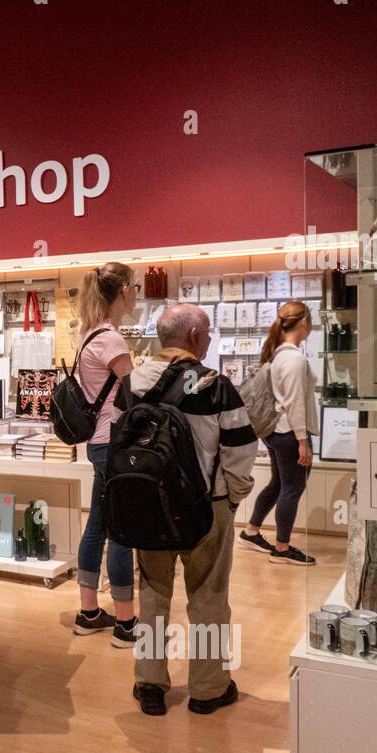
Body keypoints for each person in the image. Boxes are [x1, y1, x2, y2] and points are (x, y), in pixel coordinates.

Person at [118, 304, 257, 716]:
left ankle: (150, 684)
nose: (210, 337)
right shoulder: (215, 385)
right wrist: (231, 498)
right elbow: (240, 450)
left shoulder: (132, 383)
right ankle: (208, 688)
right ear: (195, 334)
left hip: (149, 508)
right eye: (208, 330)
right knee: (210, 598)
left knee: (152, 596)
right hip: (206, 509)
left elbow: (120, 444)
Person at [73, 262, 138, 645]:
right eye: (136, 287)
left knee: (97, 526)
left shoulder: (89, 334)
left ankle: (88, 612)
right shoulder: (111, 339)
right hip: (116, 444)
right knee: (121, 532)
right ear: (124, 290)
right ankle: (126, 623)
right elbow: (133, 394)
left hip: (99, 443)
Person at [240, 300, 319, 566]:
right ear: (304, 322)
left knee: (278, 484)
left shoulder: (278, 355)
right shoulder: (293, 359)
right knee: (292, 488)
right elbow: (295, 403)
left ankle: (251, 531)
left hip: (276, 432)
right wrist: (303, 442)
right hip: (289, 433)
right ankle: (282, 547)